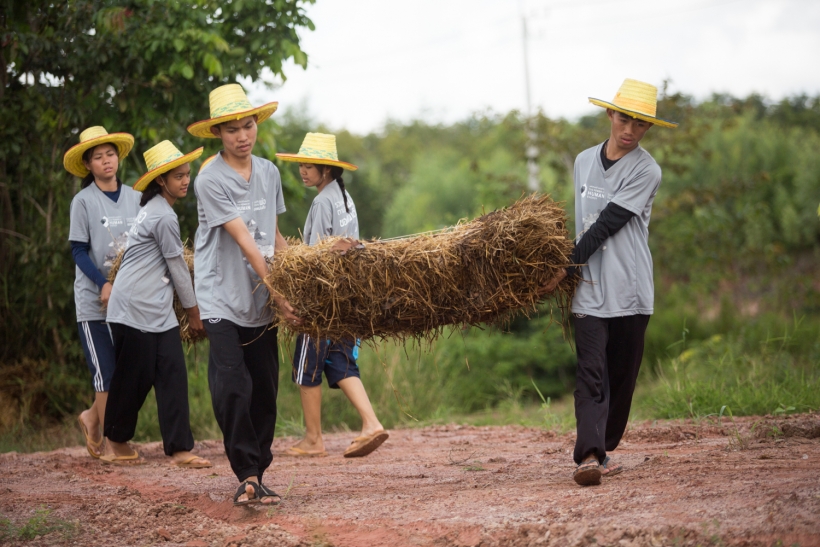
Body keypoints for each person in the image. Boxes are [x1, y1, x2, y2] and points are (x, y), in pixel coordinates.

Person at [547, 79, 678, 486]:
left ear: (647, 129)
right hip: (589, 287)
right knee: (590, 374)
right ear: (610, 114)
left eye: (640, 125)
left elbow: (607, 224)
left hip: (630, 290)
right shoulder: (583, 161)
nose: (630, 130)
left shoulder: (646, 170)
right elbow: (582, 219)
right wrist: (569, 268)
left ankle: (604, 443)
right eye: (624, 119)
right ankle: (589, 455)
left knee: (620, 380)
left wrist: (564, 266)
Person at [188, 83, 300, 506]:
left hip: (259, 299)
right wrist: (279, 291)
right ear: (218, 133)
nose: (242, 136)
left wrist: (300, 279)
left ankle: (260, 471)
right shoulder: (209, 179)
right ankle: (246, 473)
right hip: (219, 296)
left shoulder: (269, 173)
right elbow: (244, 241)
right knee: (233, 384)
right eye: (232, 129)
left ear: (257, 126)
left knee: (265, 389)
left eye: (248, 125)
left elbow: (271, 237)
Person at [276, 133, 388, 458]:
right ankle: (371, 422)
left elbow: (317, 256)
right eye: (302, 166)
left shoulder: (322, 201)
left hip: (324, 297)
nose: (303, 172)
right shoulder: (344, 196)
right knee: (340, 362)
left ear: (326, 170)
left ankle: (314, 439)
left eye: (309, 166)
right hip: (348, 294)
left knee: (306, 365)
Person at [101, 141, 211, 468]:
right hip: (133, 308)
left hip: (156, 310)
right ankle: (115, 442)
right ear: (161, 180)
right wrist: (194, 313)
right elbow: (177, 267)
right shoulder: (162, 215)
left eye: (187, 174)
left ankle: (180, 449)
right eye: (178, 176)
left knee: (172, 374)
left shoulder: (155, 210)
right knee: (134, 377)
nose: (185, 181)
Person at [64, 126, 140, 459]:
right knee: (105, 372)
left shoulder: (137, 198)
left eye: (110, 154)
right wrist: (104, 284)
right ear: (89, 165)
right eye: (98, 157)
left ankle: (92, 418)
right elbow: (79, 251)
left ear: (118, 158)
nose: (106, 161)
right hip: (95, 301)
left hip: (128, 302)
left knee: (126, 371)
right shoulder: (82, 202)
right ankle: (113, 444)